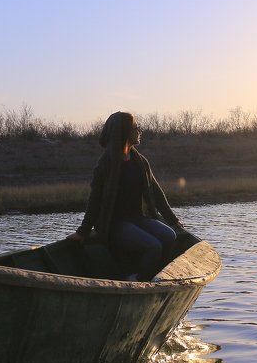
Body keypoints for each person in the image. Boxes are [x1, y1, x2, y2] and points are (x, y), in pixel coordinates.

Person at [67, 111, 184, 280]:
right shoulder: (106, 163)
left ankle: (154, 275)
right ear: (125, 132)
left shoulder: (140, 161)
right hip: (115, 223)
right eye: (136, 127)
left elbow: (156, 193)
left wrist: (173, 221)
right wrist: (83, 231)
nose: (140, 131)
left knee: (169, 236)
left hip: (137, 219)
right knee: (154, 247)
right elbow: (95, 200)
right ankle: (137, 280)